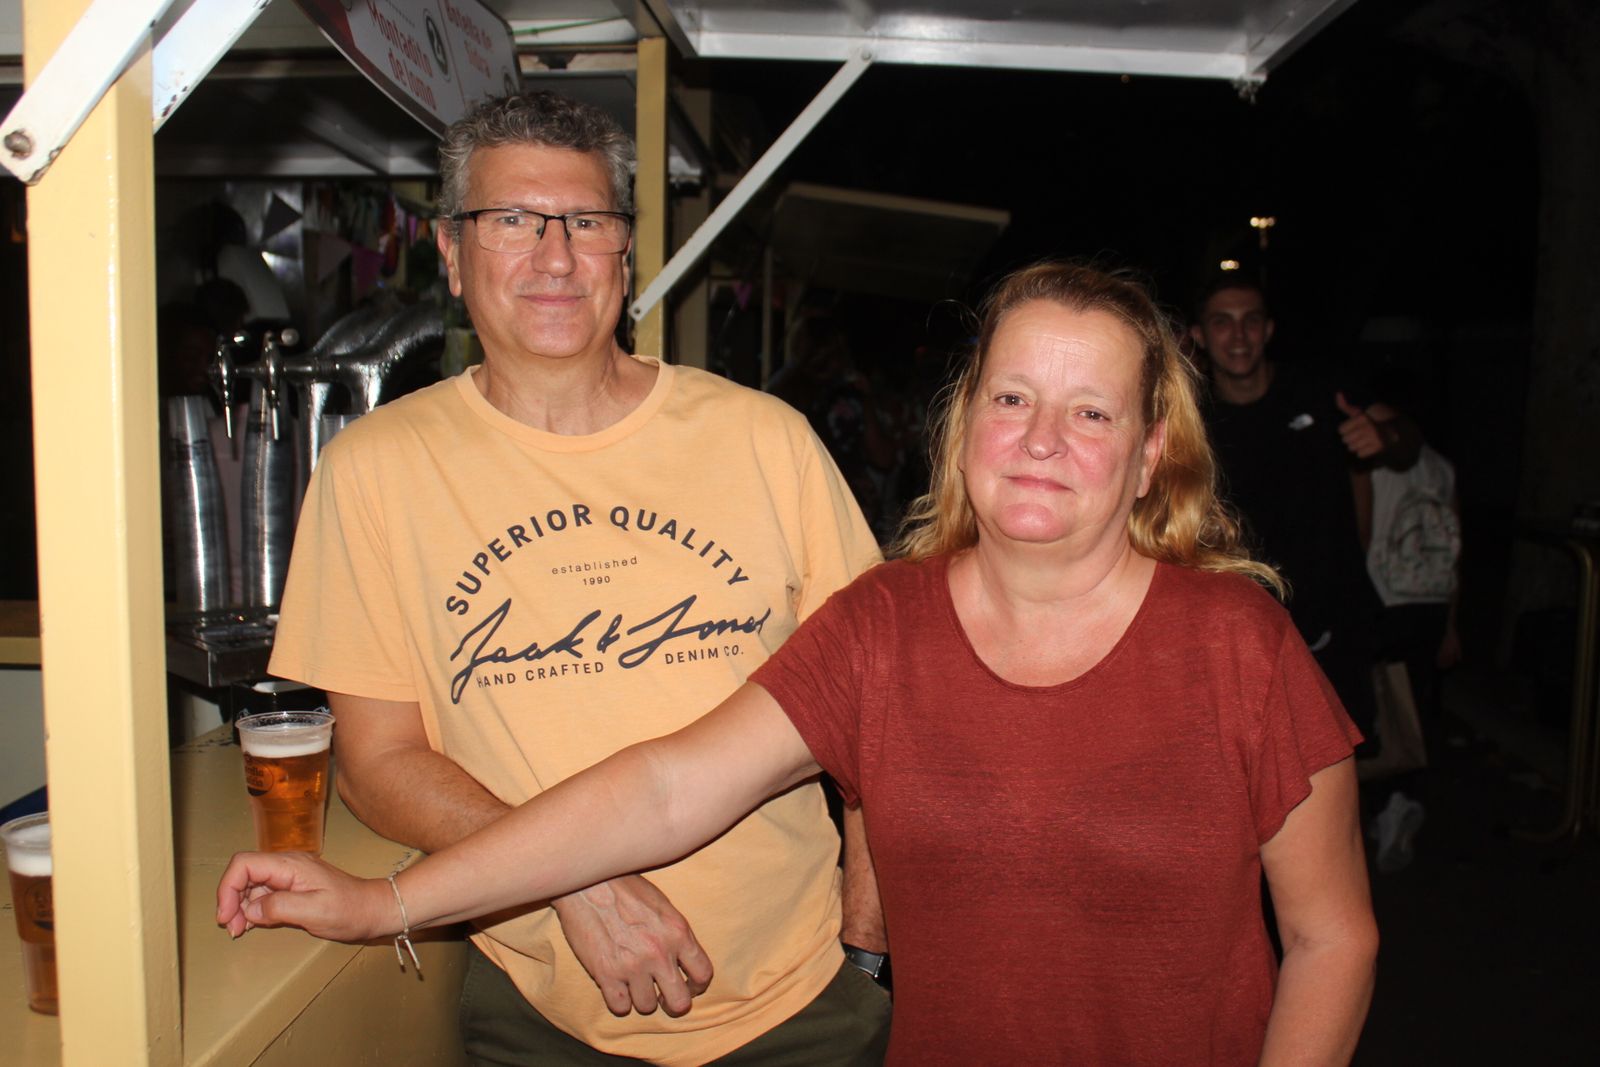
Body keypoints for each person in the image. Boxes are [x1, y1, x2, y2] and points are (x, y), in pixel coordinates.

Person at [223, 262, 1379, 1065]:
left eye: (1090, 413)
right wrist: (385, 902)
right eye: (1011, 397)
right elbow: (662, 787)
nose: (1039, 438)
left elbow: (1333, 936)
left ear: (1148, 454)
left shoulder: (1235, 643)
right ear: (964, 423)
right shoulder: (883, 625)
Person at [263, 91, 891, 1066]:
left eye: (587, 221)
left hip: (802, 1001)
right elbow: (377, 760)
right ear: (450, 253)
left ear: (624, 252)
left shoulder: (766, 440)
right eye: (512, 220)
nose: (555, 257)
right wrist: (572, 877)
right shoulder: (374, 471)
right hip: (542, 1011)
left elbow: (880, 714)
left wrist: (868, 938)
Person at [1192, 275, 1420, 746]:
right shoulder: (1191, 417)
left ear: (1268, 329)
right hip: (1240, 629)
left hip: (1334, 621)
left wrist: (1386, 436)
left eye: (1251, 320)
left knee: (1340, 759)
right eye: (1222, 322)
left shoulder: (1318, 390)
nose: (1239, 335)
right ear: (1200, 334)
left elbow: (1408, 443)